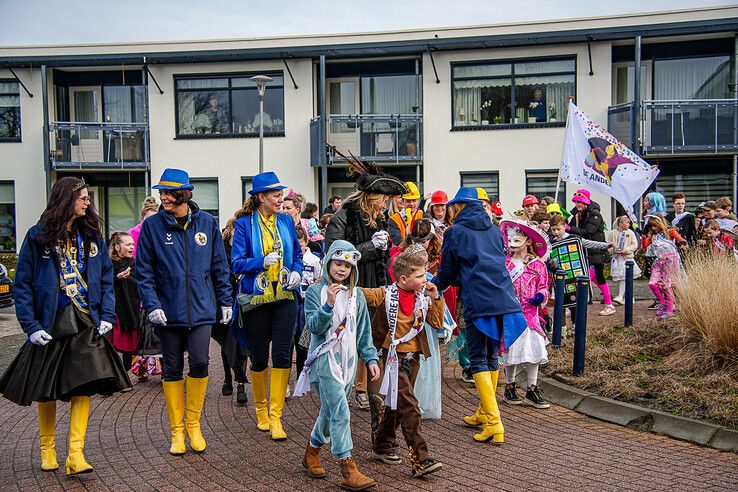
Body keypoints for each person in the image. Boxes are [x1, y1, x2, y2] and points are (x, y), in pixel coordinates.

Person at [0, 177, 131, 475]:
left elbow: (106, 279)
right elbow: (22, 285)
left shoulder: (93, 234)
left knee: (83, 384)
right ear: (66, 199)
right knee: (46, 388)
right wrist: (30, 325)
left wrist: (108, 316)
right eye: (83, 198)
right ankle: (48, 451)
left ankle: (76, 454)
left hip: (86, 319)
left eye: (88, 198)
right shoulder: (38, 236)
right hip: (49, 322)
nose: (88, 203)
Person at [136, 168, 232, 455]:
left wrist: (225, 300)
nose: (163, 197)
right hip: (168, 311)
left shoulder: (206, 222)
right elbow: (143, 271)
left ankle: (194, 425)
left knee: (201, 363)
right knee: (173, 369)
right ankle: (177, 432)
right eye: (161, 192)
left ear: (184, 194)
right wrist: (152, 305)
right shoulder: (152, 227)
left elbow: (219, 266)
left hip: (202, 309)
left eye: (168, 192)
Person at [433, 187, 527, 446]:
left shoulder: (455, 232)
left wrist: (436, 284)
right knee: (491, 354)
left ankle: (494, 423)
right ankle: (485, 410)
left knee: (477, 357)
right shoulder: (495, 230)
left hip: (478, 299)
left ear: (460, 206)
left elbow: (449, 270)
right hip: (503, 297)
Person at [295, 240, 380, 491]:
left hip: (349, 364)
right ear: (329, 262)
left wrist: (371, 358)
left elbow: (364, 332)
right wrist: (328, 304)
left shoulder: (357, 296)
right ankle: (348, 468)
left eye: (347, 265)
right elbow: (314, 327)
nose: (342, 269)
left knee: (331, 410)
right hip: (324, 361)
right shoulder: (314, 292)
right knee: (341, 412)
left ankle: (311, 451)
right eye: (338, 263)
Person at [324, 152, 406, 412]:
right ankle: (345, 384)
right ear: (370, 198)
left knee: (370, 334)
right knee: (347, 333)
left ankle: (363, 387)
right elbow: (334, 253)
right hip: (352, 285)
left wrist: (384, 244)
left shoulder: (380, 218)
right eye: (381, 200)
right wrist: (371, 246)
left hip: (376, 284)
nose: (384, 206)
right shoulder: (344, 216)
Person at [230, 171, 303, 441]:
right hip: (256, 300)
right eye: (275, 195)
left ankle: (276, 417)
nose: (280, 198)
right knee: (260, 357)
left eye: (281, 194)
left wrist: (296, 271)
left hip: (284, 295)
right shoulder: (244, 224)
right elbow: (236, 263)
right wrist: (261, 260)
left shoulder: (285, 220)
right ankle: (261, 410)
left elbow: (296, 253)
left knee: (283, 356)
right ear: (261, 197)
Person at [363, 248, 444, 477]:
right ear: (403, 279)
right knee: (410, 406)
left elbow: (437, 323)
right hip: (392, 358)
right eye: (420, 276)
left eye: (424, 274)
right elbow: (364, 294)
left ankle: (383, 443)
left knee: (396, 406)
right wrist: (341, 286)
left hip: (414, 358)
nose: (425, 279)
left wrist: (435, 297)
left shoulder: (422, 297)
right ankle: (420, 459)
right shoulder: (387, 293)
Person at [498, 220, 551, 409]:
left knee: (533, 351)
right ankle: (510, 387)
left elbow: (544, 286)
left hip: (531, 315)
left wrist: (541, 296)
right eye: (510, 240)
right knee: (511, 349)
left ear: (528, 241)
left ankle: (532, 388)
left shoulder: (538, 265)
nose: (512, 244)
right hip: (511, 313)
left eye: (517, 240)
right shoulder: (505, 264)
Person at [213, 217, 250, 405]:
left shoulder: (248, 248)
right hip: (225, 300)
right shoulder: (221, 247)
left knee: (242, 344)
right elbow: (218, 271)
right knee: (227, 342)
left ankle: (241, 385)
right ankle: (228, 376)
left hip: (245, 299)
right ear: (232, 228)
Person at [127, 196, 163, 379]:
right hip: (139, 286)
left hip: (158, 285)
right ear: (142, 217)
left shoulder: (160, 232)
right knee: (142, 331)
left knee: (157, 330)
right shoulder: (133, 234)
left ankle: (161, 366)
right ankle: (140, 370)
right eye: (147, 218)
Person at [568, 189, 616, 316]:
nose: (578, 204)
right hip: (587, 252)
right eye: (576, 202)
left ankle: (575, 305)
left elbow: (588, 231)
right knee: (597, 278)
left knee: (584, 278)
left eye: (580, 202)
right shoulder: (577, 216)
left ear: (586, 202)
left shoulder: (595, 215)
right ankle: (609, 303)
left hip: (596, 251)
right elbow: (570, 229)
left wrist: (569, 228)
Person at [640, 214, 686, 320]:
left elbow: (680, 239)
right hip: (659, 260)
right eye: (651, 226)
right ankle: (663, 302)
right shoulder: (653, 236)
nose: (653, 228)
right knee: (652, 283)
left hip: (670, 260)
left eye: (655, 225)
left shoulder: (670, 232)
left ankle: (670, 310)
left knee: (667, 285)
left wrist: (683, 243)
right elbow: (644, 246)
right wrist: (644, 233)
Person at [108, 232, 140, 374]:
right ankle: (112, 375)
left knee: (128, 346)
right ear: (116, 247)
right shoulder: (108, 264)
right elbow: (103, 283)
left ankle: (125, 374)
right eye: (128, 244)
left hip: (130, 310)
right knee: (110, 345)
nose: (132, 247)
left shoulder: (134, 264)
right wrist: (117, 277)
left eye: (132, 244)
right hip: (114, 311)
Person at [607, 216, 641, 305]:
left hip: (627, 258)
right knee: (623, 277)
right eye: (626, 222)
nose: (628, 224)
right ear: (620, 223)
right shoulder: (613, 233)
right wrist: (612, 251)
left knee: (627, 277)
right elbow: (608, 244)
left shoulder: (630, 233)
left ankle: (623, 296)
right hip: (617, 258)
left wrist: (625, 250)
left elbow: (635, 245)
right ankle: (626, 296)